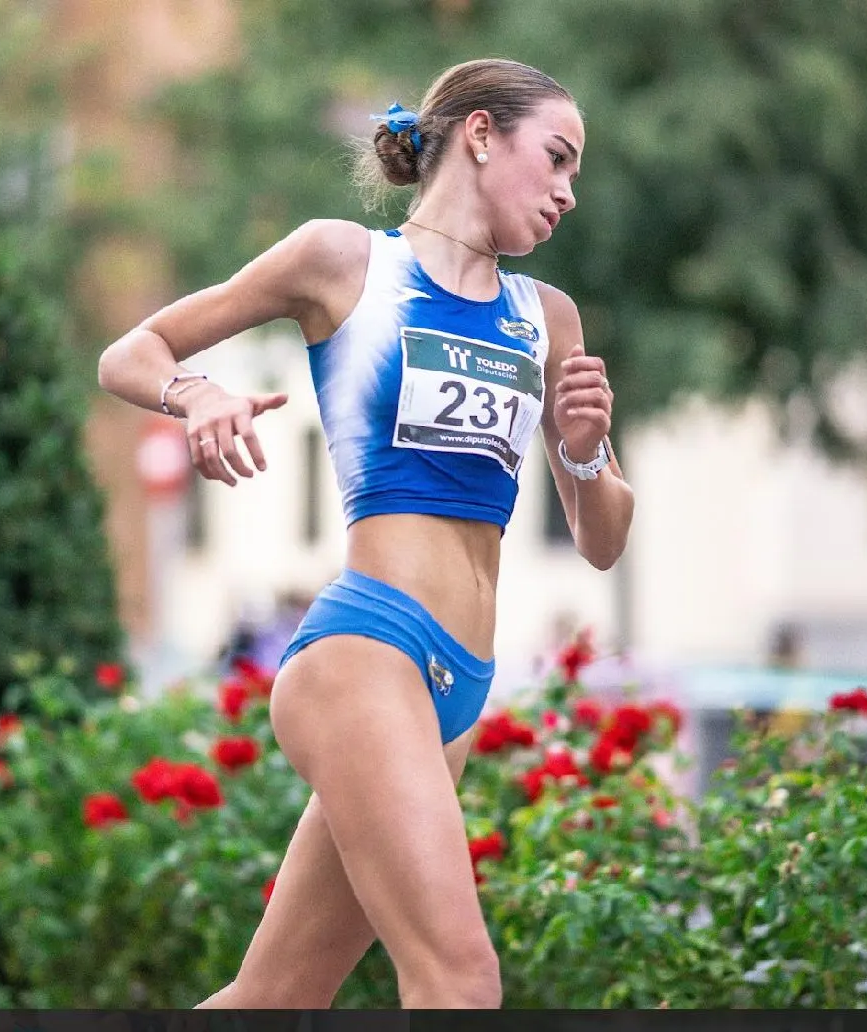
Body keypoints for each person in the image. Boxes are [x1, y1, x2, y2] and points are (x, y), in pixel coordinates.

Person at [97, 58, 635, 1011]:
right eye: (555, 159)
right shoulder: (344, 261)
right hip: (367, 650)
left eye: (574, 174)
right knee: (459, 981)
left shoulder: (546, 317)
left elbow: (602, 541)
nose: (567, 192)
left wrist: (586, 454)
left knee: (272, 997)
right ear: (480, 134)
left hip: (457, 685)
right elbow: (130, 352)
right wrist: (198, 394)